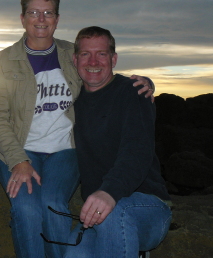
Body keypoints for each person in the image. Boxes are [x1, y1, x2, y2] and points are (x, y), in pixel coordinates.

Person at [0, 0, 154, 258]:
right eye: (34, 12)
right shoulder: (4, 61)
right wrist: (18, 160)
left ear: (57, 18)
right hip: (18, 149)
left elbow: (99, 71)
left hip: (65, 150)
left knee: (53, 204)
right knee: (26, 209)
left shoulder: (69, 53)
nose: (41, 18)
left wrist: (144, 84)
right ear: (22, 17)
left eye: (48, 12)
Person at [62, 26, 171, 258]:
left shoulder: (133, 93)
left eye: (101, 54)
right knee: (74, 254)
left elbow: (137, 151)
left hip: (146, 206)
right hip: (98, 212)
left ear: (113, 59)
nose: (93, 61)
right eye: (85, 54)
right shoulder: (72, 101)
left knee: (115, 214)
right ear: (75, 59)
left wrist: (109, 192)